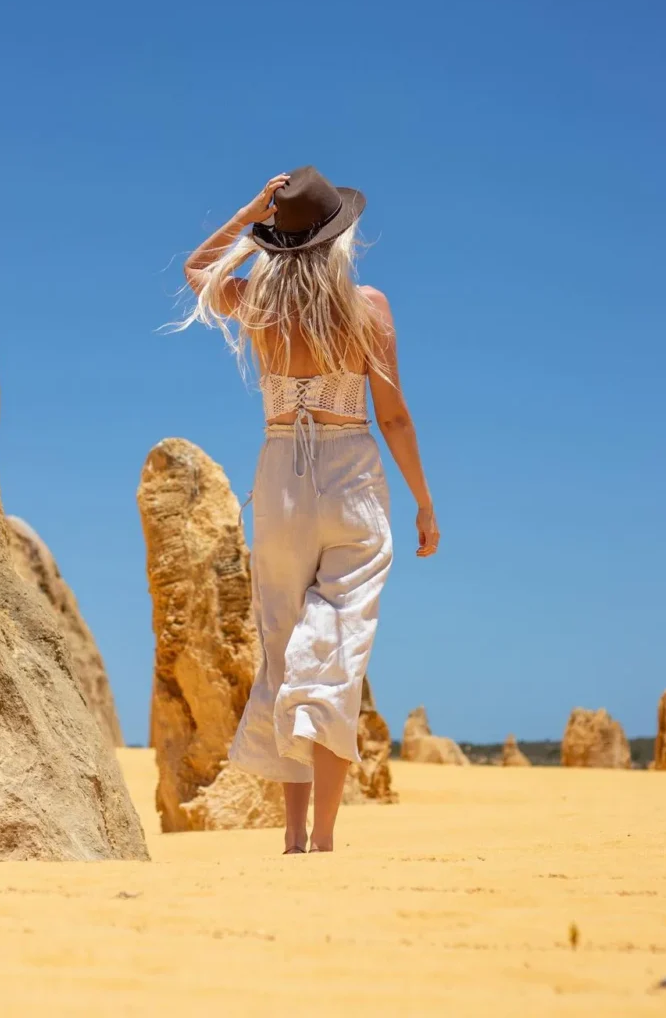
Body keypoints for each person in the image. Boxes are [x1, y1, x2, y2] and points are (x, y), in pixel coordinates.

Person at [181, 166, 438, 854]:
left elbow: (196, 268)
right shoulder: (369, 308)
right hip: (351, 477)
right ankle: (323, 835)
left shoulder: (256, 305)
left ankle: (293, 834)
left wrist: (251, 210)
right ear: (336, 239)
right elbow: (396, 418)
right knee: (333, 656)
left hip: (280, 487)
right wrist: (423, 503)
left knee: (283, 649)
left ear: (278, 239)